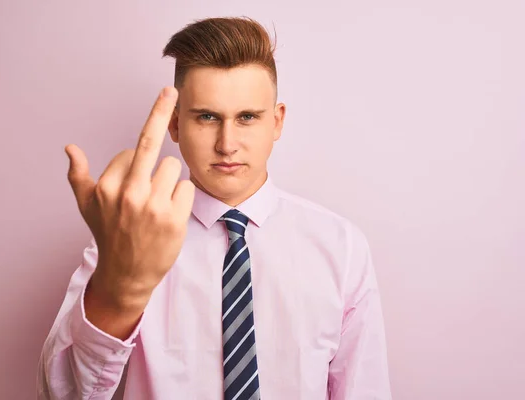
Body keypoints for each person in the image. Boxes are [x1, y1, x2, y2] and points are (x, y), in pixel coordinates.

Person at [37, 16, 392, 400]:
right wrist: (119, 292)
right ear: (175, 125)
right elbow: (63, 395)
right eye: (207, 117)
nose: (227, 144)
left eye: (247, 118)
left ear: (276, 121)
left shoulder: (341, 247)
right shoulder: (125, 241)